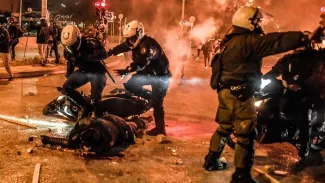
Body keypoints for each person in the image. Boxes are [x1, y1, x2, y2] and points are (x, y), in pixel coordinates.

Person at [205, 6, 322, 183]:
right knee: (246, 134)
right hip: (241, 95)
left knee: (224, 127)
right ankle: (241, 176)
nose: (260, 24)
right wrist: (302, 37)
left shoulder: (228, 41)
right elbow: (275, 41)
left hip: (225, 92)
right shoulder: (247, 41)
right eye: (258, 21)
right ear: (249, 22)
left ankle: (211, 161)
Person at [107, 20, 171, 136]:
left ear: (139, 33)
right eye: (129, 39)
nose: (130, 42)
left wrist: (127, 70)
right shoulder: (133, 42)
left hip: (160, 77)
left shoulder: (148, 46)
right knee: (130, 84)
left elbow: (141, 63)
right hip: (148, 73)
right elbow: (124, 46)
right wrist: (110, 52)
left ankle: (160, 129)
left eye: (132, 39)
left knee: (158, 104)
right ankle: (149, 99)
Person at [60, 25, 108, 119]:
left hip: (97, 72)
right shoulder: (67, 50)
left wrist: (88, 57)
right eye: (68, 47)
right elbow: (70, 63)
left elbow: (104, 54)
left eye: (73, 45)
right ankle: (85, 106)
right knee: (66, 88)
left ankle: (99, 118)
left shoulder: (90, 42)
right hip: (83, 71)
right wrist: (69, 77)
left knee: (95, 100)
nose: (71, 48)